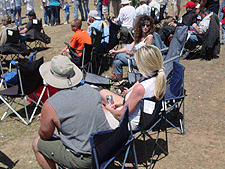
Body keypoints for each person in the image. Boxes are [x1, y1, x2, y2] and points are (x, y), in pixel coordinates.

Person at [32, 55, 111, 169]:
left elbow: (45, 135)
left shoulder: (50, 105)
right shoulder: (91, 89)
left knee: (37, 143)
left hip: (85, 158)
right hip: (106, 148)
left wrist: (45, 120)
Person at [100, 45, 166, 130]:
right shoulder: (157, 78)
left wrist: (109, 109)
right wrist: (121, 104)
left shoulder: (140, 88)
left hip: (127, 124)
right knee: (103, 93)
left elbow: (121, 116)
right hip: (138, 115)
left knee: (99, 109)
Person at [109, 14, 154, 79]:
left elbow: (146, 53)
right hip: (133, 58)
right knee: (117, 62)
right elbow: (129, 46)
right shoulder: (139, 36)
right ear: (140, 26)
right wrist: (116, 51)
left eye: (147, 25)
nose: (145, 27)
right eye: (143, 25)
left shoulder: (149, 37)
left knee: (118, 56)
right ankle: (119, 81)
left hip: (140, 61)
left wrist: (134, 54)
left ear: (150, 27)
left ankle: (112, 76)